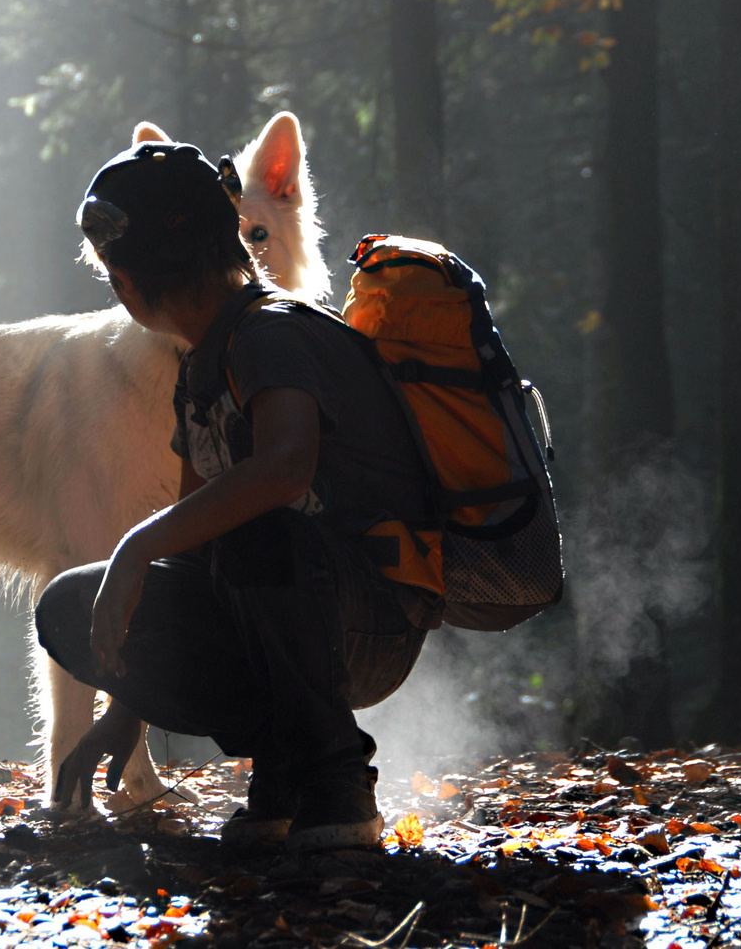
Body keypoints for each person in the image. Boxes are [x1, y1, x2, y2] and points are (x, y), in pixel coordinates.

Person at [34, 140, 443, 851]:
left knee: (256, 530)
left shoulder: (270, 336)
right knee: (72, 602)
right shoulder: (204, 368)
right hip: (288, 613)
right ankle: (282, 771)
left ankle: (334, 775)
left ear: (130, 282)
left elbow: (284, 471)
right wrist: (124, 714)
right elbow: (192, 548)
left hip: (367, 620)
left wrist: (134, 547)